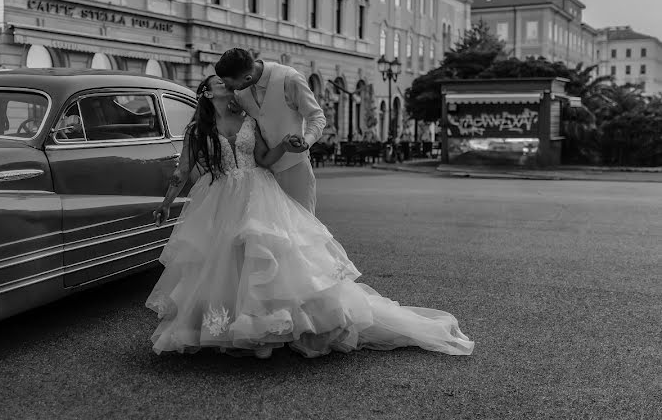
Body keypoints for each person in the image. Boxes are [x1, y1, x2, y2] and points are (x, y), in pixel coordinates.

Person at [147, 74, 474, 359]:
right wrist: (167, 203)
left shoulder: (249, 120)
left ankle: (272, 328)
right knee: (224, 264)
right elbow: (182, 170)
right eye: (221, 84)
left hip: (258, 191)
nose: (230, 88)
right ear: (207, 92)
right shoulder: (197, 130)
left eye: (230, 84)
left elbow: (262, 159)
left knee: (268, 258)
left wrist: (287, 146)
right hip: (221, 197)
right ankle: (228, 328)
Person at [214, 48, 325, 215]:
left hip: (294, 169)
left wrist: (306, 142)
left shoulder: (290, 79)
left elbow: (317, 117)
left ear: (247, 78)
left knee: (302, 232)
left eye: (230, 84)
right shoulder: (241, 93)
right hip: (260, 176)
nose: (229, 88)